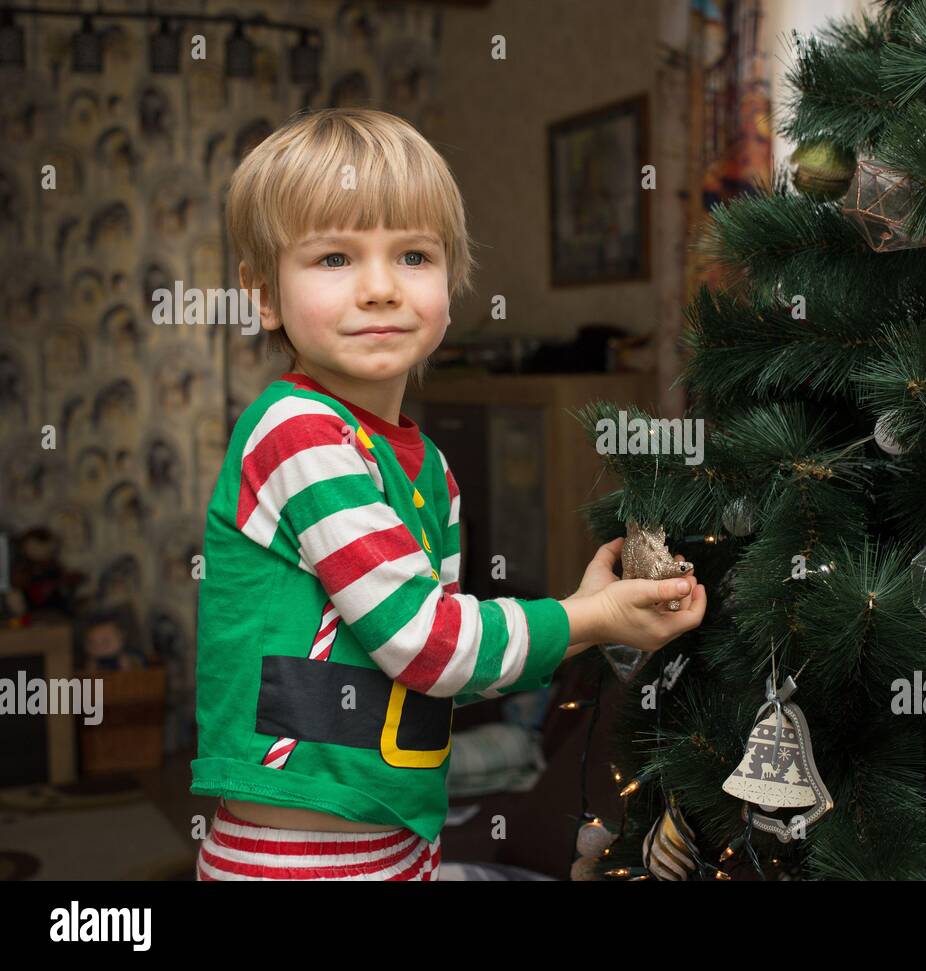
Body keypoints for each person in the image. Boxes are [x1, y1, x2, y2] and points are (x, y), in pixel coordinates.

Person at [191, 108, 705, 881]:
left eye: (413, 255)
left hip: (393, 834)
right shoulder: (298, 431)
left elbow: (452, 656)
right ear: (263, 295)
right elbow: (425, 642)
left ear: (451, 283)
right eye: (333, 257)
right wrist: (586, 617)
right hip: (298, 856)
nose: (379, 288)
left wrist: (584, 617)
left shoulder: (427, 466)